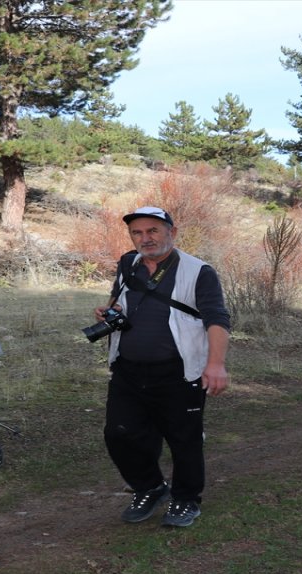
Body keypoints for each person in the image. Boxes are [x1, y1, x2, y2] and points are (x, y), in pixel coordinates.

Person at [95, 206, 230, 528]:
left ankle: (185, 500)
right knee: (118, 434)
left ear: (172, 232)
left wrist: (215, 364)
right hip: (127, 368)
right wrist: (109, 311)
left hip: (178, 372)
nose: (145, 238)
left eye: (153, 231)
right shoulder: (129, 263)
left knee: (184, 439)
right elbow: (122, 300)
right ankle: (150, 487)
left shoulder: (200, 271)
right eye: (137, 233)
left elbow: (218, 319)